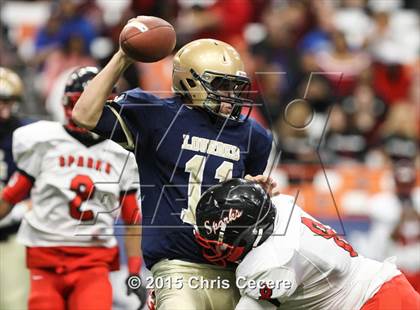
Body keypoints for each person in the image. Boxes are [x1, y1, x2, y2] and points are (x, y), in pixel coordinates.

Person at [72, 38, 273, 309]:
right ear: (189, 81)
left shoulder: (254, 136)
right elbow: (84, 114)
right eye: (220, 85)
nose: (230, 95)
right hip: (177, 269)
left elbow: (241, 213)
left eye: (234, 86)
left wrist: (258, 197)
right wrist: (123, 56)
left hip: (232, 274)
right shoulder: (157, 116)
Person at [0, 67, 145, 309]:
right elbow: (11, 196)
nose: (88, 111)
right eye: (83, 102)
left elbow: (132, 219)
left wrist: (133, 271)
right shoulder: (43, 140)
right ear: (66, 103)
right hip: (45, 258)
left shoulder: (122, 154)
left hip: (93, 261)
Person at [194, 178, 420, 310]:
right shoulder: (281, 205)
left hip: (374, 302)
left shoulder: (269, 264)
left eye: (218, 240)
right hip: (386, 285)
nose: (216, 246)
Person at [0, 67, 31, 309]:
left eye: (7, 101)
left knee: (14, 303)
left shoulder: (28, 134)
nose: (3, 108)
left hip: (11, 232)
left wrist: (24, 206)